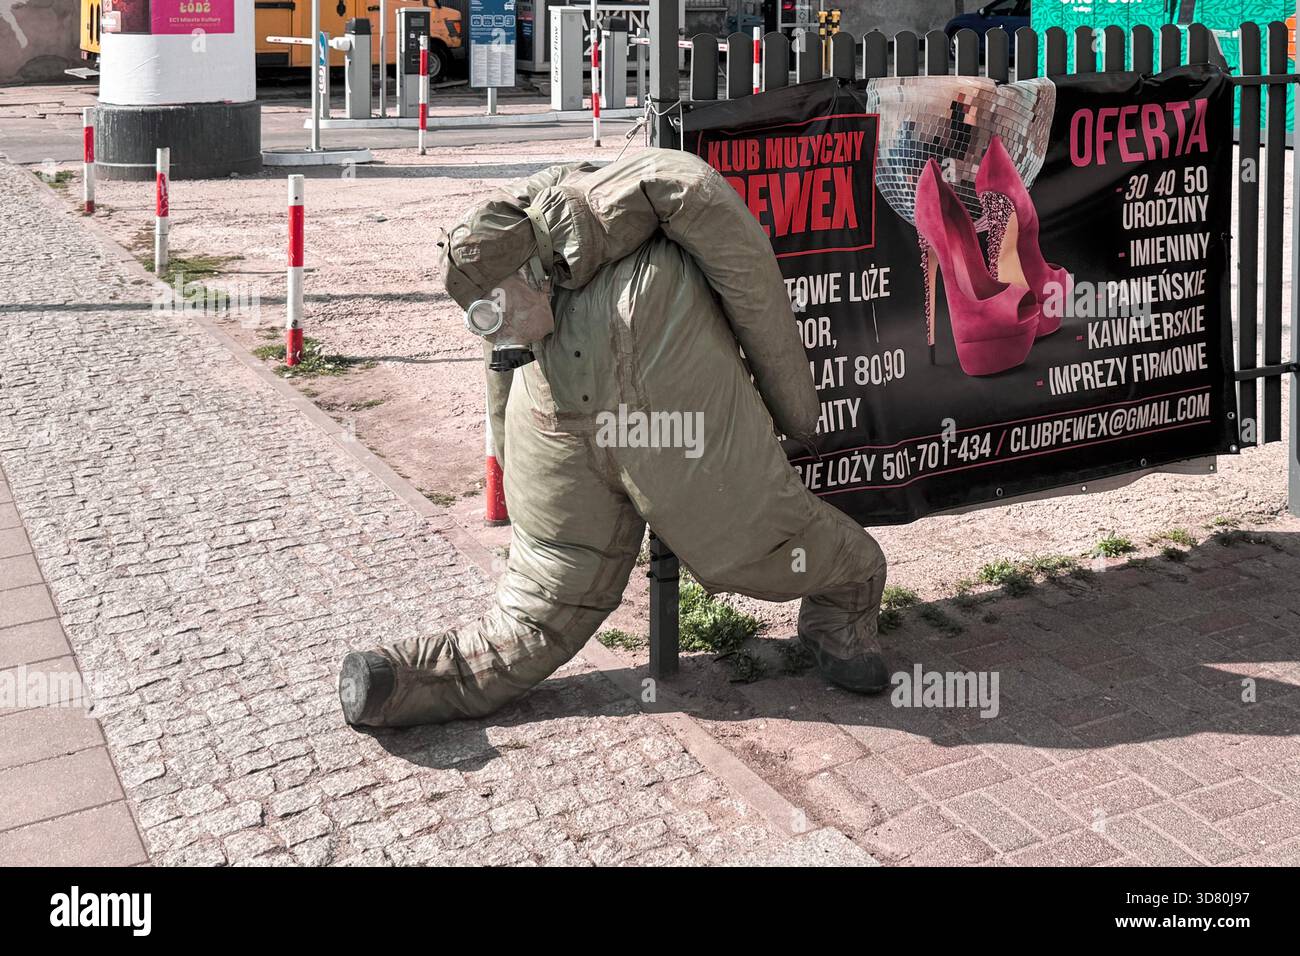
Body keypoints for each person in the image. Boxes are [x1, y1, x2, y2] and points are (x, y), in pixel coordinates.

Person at [338, 149, 888, 727]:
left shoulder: (671, 207)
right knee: (544, 597)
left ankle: (847, 603)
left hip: (676, 424)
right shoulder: (510, 255)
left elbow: (755, 291)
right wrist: (509, 461)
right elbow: (501, 360)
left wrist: (796, 411)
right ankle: (403, 681)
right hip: (561, 427)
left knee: (753, 551)